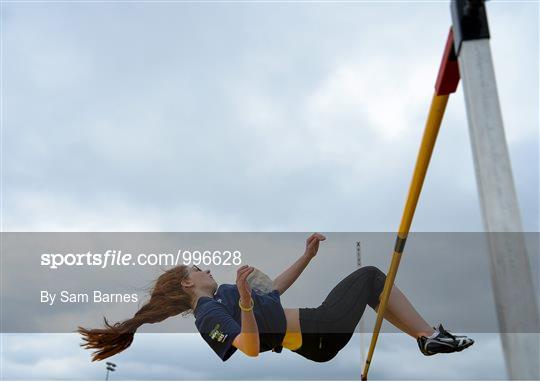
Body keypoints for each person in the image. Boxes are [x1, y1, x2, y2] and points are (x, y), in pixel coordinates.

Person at [78, 233, 474, 363]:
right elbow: (249, 348)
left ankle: (425, 338)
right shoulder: (209, 316)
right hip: (318, 333)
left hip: (316, 333)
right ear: (187, 285)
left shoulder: (229, 293)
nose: (207, 270)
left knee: (371, 283)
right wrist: (246, 302)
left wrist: (306, 257)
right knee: (370, 277)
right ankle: (426, 337)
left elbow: (276, 291)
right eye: (198, 269)